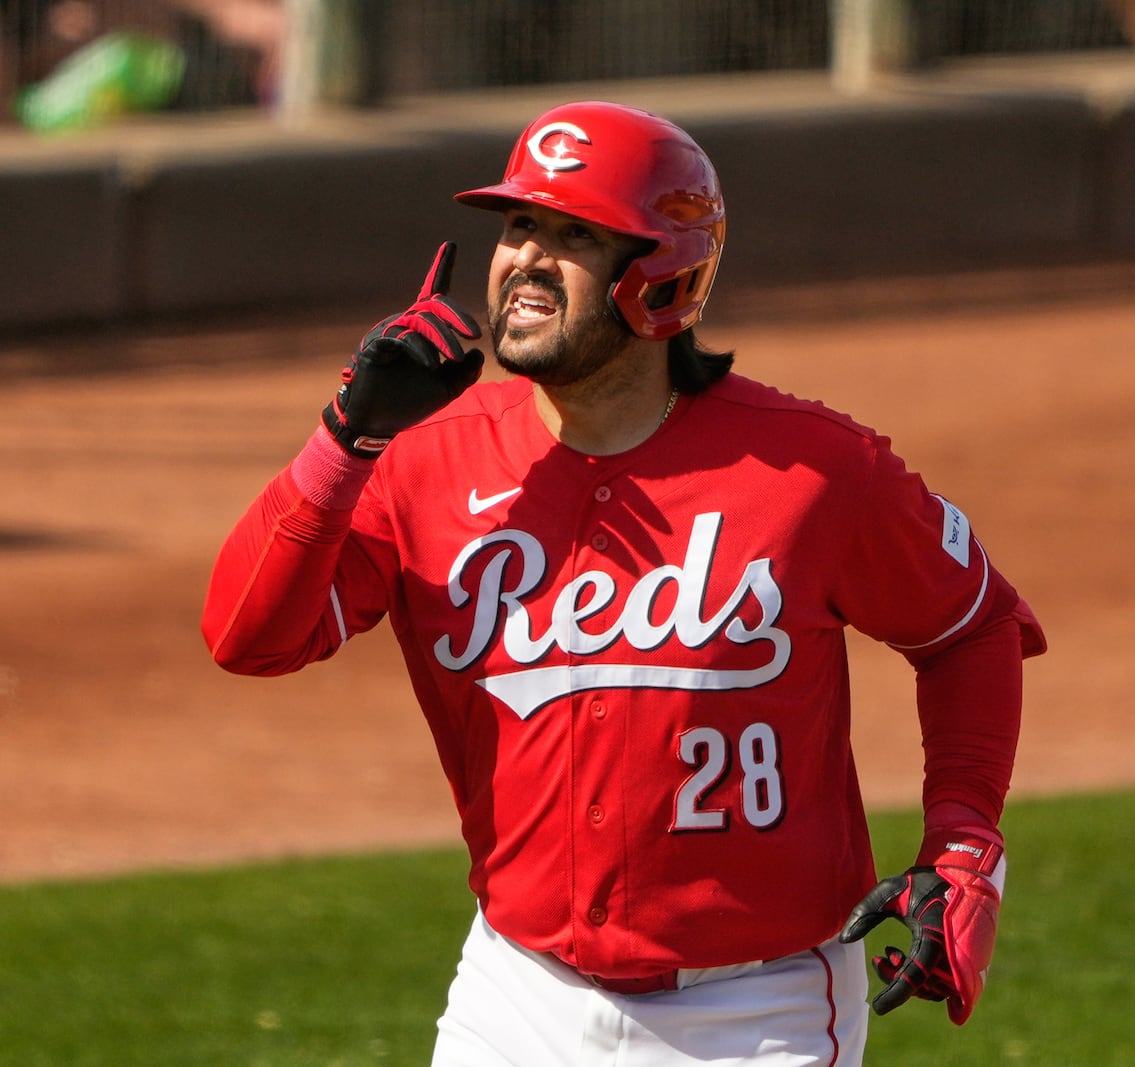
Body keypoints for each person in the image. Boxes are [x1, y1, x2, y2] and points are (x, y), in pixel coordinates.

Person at [202, 100, 1047, 1065]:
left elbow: (972, 628)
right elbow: (248, 637)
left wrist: (963, 843)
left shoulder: (815, 471)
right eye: (519, 225)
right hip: (516, 991)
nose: (525, 258)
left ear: (661, 279)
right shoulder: (425, 462)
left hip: (755, 1010)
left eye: (573, 235)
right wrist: (345, 437)